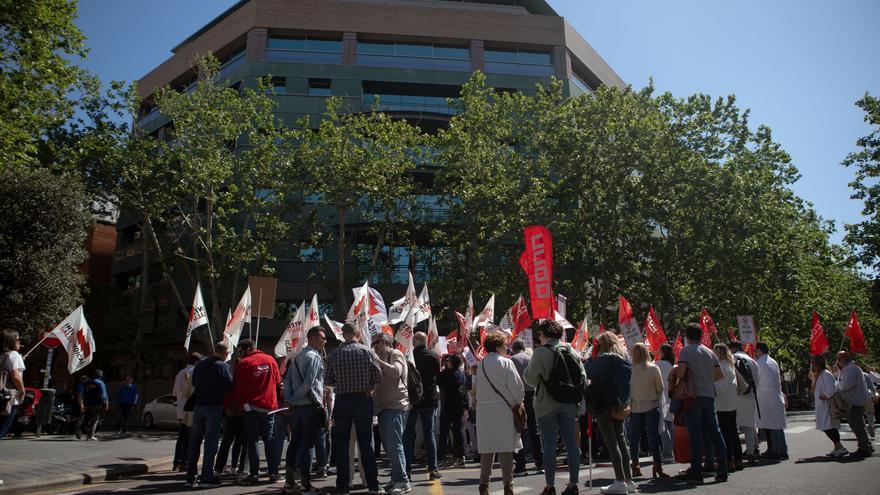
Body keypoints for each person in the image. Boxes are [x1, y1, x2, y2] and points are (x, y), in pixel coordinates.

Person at [524, 320, 585, 495]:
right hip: (568, 402)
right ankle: (573, 484)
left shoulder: (541, 352)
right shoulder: (570, 349)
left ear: (543, 335)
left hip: (546, 403)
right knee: (572, 444)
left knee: (549, 445)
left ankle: (550, 486)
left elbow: (530, 378)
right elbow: (582, 375)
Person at [325, 323, 382, 495]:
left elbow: (328, 380)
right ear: (357, 333)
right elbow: (378, 375)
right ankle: (372, 485)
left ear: (343, 334)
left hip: (342, 400)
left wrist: (341, 383)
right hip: (363, 399)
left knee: (342, 444)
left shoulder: (334, 354)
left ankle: (343, 486)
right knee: (366, 443)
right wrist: (368, 385)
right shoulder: (366, 351)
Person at [674, 323, 728, 483]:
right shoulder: (710, 352)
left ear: (688, 337)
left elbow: (682, 372)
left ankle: (696, 472)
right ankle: (723, 470)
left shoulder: (686, 351)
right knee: (715, 433)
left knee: (695, 435)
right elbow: (719, 374)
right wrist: (706, 378)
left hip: (692, 397)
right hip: (708, 396)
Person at [475, 332, 524, 495]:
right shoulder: (506, 363)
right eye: (504, 345)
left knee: (487, 450)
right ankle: (508, 486)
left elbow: (476, 390)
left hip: (484, 411)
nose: (506, 348)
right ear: (497, 346)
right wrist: (518, 403)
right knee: (505, 449)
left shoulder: (480, 365)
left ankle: (483, 485)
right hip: (503, 410)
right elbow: (517, 387)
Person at [585, 331, 634, 494]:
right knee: (621, 440)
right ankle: (628, 479)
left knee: (611, 443)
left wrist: (593, 355)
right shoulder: (625, 357)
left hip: (604, 403)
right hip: (621, 403)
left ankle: (620, 481)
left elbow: (589, 372)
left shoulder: (604, 358)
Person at [282, 326, 326, 494]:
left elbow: (286, 382)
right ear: (313, 338)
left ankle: (289, 482)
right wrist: (294, 399)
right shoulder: (314, 357)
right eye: (322, 338)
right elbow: (309, 383)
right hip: (309, 405)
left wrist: (290, 399)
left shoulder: (298, 356)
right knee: (308, 445)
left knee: (294, 443)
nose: (325, 341)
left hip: (297, 407)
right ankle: (306, 484)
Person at [232, 338, 282, 484]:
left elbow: (238, 389)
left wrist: (242, 405)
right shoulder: (271, 360)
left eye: (240, 351)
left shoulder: (244, 364)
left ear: (248, 349)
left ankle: (254, 474)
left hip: (251, 408)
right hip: (269, 408)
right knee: (269, 440)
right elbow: (278, 383)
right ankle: (273, 472)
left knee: (253, 440)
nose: (239, 354)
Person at [186, 343, 234, 487]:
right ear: (225, 352)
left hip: (199, 405)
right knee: (210, 443)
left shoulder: (200, 364)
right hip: (214, 405)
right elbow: (230, 386)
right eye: (228, 353)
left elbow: (194, 382)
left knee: (194, 441)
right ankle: (206, 477)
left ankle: (190, 477)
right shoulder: (223, 366)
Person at [371, 332, 410, 494]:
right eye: (373, 343)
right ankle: (395, 478)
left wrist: (377, 361)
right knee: (389, 446)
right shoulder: (381, 357)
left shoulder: (395, 353)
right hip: (384, 407)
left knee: (395, 445)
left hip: (395, 406)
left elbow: (396, 372)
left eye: (377, 342)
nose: (375, 346)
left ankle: (402, 481)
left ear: (387, 342)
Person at [403, 332, 443, 481]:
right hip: (429, 399)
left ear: (414, 342)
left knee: (408, 434)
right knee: (429, 433)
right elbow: (437, 376)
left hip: (412, 400)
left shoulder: (409, 357)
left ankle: (406, 470)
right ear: (425, 342)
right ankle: (433, 468)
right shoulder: (433, 356)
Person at [628, 342, 668, 480]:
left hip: (635, 407)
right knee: (653, 438)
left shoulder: (630, 369)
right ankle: (657, 465)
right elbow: (660, 387)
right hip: (651, 405)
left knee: (634, 438)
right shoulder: (653, 368)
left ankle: (635, 465)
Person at [509, 339, 543, 474]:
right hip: (533, 394)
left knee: (519, 429)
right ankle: (540, 462)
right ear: (524, 347)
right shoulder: (531, 358)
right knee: (534, 428)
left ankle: (521, 464)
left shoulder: (511, 360)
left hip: (518, 396)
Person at [835, 351, 873, 457]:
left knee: (857, 426)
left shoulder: (850, 369)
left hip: (855, 403)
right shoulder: (849, 368)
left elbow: (846, 385)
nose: (837, 361)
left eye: (838, 359)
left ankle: (864, 448)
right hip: (856, 402)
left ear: (842, 359)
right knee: (859, 425)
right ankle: (867, 445)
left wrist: (837, 385)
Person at [755, 342, 788, 460]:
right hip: (775, 397)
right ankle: (782, 450)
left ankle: (775, 451)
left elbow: (754, 379)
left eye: (756, 350)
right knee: (777, 426)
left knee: (771, 426)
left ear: (759, 350)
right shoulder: (773, 361)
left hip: (766, 398)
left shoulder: (760, 363)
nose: (755, 353)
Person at [729, 341, 760, 461]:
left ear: (731, 349)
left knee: (732, 427)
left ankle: (734, 453)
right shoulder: (752, 361)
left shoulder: (731, 358)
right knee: (749, 427)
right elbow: (757, 381)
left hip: (735, 397)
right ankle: (751, 451)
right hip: (750, 396)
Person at [810, 355, 846, 457]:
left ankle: (840, 447)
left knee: (829, 427)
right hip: (821, 406)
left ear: (818, 363)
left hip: (827, 405)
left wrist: (826, 395)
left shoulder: (826, 374)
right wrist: (813, 378)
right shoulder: (819, 375)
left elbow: (832, 387)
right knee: (826, 426)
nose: (812, 364)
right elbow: (814, 389)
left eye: (813, 362)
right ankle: (837, 448)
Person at [713, 344, 742, 471]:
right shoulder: (729, 365)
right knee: (733, 433)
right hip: (731, 403)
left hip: (723, 404)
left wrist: (712, 384)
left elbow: (721, 388)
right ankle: (738, 459)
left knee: (726, 434)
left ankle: (729, 460)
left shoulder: (722, 367)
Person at [438, 354, 468, 469]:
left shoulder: (446, 374)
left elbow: (439, 380)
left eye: (448, 361)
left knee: (444, 432)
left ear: (451, 363)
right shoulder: (461, 375)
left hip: (448, 407)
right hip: (459, 407)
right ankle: (460, 457)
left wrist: (441, 368)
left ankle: (443, 456)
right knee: (458, 432)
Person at [173, 353, 201, 471]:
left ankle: (177, 462)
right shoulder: (196, 371)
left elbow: (175, 393)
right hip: (190, 410)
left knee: (182, 437)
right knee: (190, 438)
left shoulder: (179, 373)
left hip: (181, 409)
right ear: (196, 362)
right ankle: (186, 462)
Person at [0, 329, 26, 440]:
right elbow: (15, 376)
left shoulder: (3, 355)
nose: (19, 341)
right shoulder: (14, 355)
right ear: (10, 341)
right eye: (17, 339)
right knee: (2, 429)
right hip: (8, 397)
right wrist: (22, 391)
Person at [655, 343, 675, 461]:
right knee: (671, 425)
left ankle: (667, 452)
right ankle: (673, 449)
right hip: (672, 397)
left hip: (661, 397)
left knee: (663, 426)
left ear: (663, 353)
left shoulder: (657, 365)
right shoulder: (672, 365)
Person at [81, 370, 109, 441]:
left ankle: (86, 432)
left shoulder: (88, 383)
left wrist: (83, 403)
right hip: (97, 404)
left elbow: (84, 393)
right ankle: (90, 435)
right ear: (101, 375)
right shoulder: (100, 383)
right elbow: (103, 395)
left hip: (87, 403)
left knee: (88, 419)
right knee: (95, 420)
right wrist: (106, 403)